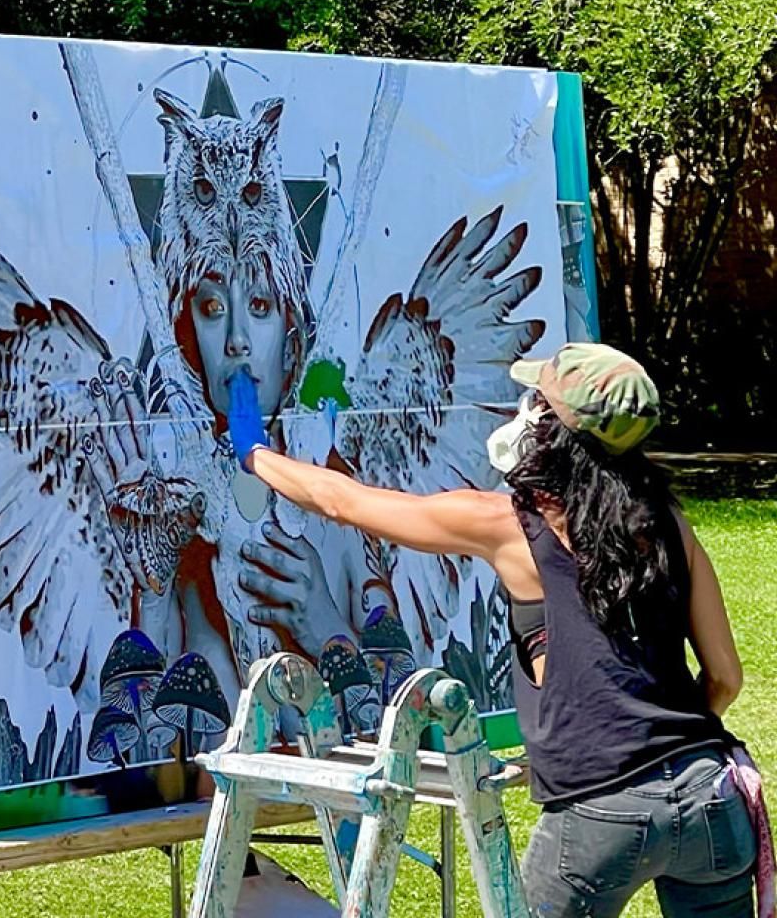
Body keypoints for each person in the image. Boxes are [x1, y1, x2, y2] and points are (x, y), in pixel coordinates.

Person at [226, 340, 760, 918]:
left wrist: (256, 453)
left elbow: (343, 500)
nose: (523, 408)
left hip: (602, 814)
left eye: (535, 399)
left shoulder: (510, 526)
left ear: (553, 429)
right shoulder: (671, 524)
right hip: (713, 799)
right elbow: (725, 678)